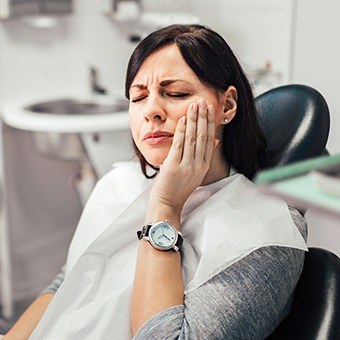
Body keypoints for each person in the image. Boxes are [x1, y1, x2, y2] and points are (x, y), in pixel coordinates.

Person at [4, 24, 307, 339]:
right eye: (138, 97)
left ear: (226, 106)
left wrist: (166, 206)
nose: (151, 111)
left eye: (175, 93)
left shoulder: (267, 234)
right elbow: (69, 283)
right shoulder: (118, 183)